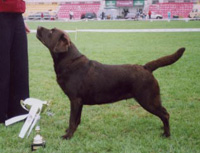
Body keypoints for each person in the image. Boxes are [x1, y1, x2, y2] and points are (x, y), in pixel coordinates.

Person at [0, 0, 30, 124]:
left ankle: (18, 112)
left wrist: (19, 19)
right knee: (2, 66)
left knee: (20, 66)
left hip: (16, 14)